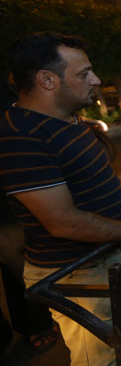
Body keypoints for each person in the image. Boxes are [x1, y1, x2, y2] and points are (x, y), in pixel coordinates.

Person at [0, 32, 121, 366]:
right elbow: (61, 221)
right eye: (84, 73)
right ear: (47, 80)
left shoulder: (68, 119)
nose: (96, 80)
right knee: (100, 357)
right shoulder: (21, 136)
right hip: (76, 273)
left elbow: (75, 184)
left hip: (109, 257)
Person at [0, 78, 60, 359]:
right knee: (23, 270)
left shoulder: (11, 108)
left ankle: (34, 325)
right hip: (9, 212)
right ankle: (35, 325)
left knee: (19, 271)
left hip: (10, 208)